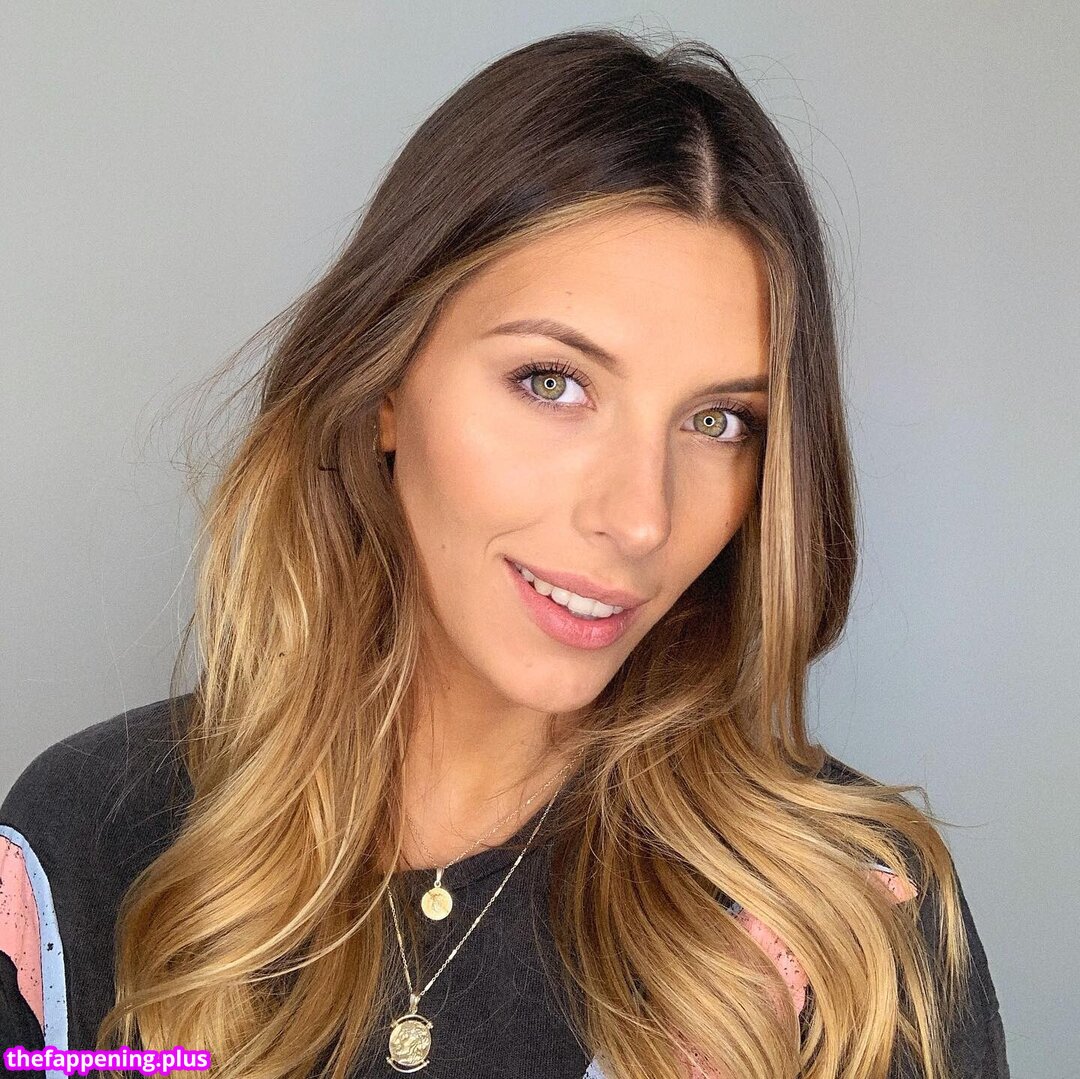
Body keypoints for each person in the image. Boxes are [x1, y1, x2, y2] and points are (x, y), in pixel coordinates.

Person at [0, 26, 1008, 1079]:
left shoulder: (845, 924)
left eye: (717, 422)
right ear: (385, 385)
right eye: (552, 382)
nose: (641, 517)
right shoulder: (84, 838)